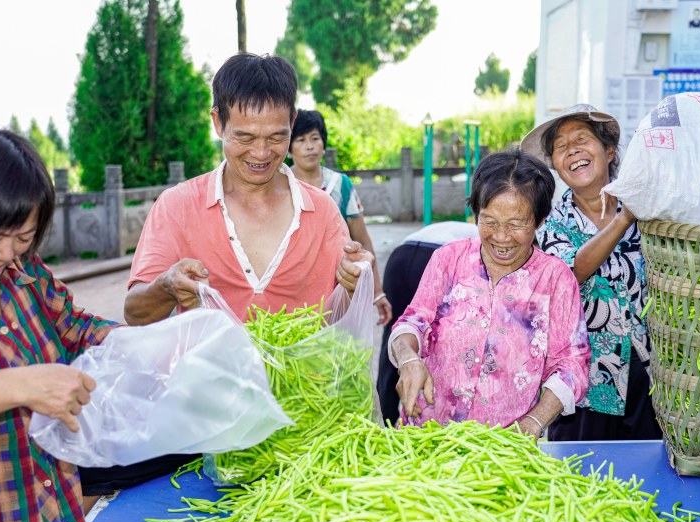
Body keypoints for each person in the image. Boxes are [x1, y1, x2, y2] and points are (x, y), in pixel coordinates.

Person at [123, 52, 373, 326]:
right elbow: (135, 314)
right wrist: (165, 287)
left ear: (292, 122)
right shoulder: (177, 206)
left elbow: (340, 318)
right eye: (245, 137)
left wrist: (354, 284)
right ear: (218, 122)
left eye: (277, 137)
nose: (261, 153)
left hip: (307, 371)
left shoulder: (322, 210)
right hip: (213, 371)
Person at [388, 150, 591, 439]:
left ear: (540, 220)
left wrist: (534, 421)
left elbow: (572, 364)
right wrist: (408, 359)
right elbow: (412, 322)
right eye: (490, 221)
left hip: (503, 447)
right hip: (425, 435)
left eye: (516, 224)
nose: (501, 237)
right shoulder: (449, 259)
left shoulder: (555, 279)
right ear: (475, 213)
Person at [0, 129, 116, 522]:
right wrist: (18, 386)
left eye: (22, 238)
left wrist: (149, 344)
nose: (5, 254)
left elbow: (74, 325)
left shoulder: (25, 272)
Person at [521, 103, 663, 441]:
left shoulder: (651, 214)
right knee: (581, 474)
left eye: (582, 140)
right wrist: (623, 219)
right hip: (584, 384)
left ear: (609, 150)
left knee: (649, 479)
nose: (572, 151)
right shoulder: (551, 226)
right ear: (556, 165)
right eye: (561, 147)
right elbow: (571, 272)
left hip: (651, 378)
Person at [288, 109, 392, 325]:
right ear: (289, 149)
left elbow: (363, 240)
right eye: (300, 140)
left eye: (315, 138)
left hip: (339, 289)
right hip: (291, 289)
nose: (309, 146)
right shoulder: (280, 185)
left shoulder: (340, 185)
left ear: (323, 144)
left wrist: (378, 291)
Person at [376, 221, 478, 425]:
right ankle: (422, 404)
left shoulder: (471, 227)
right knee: (432, 334)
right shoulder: (487, 240)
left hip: (400, 256)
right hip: (431, 257)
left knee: (395, 334)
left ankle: (385, 417)